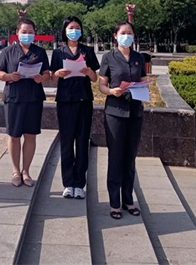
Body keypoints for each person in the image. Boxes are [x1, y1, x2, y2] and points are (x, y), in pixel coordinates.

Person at [98, 21, 147, 220]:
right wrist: (112, 91)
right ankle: (114, 203)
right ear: (115, 36)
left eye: (130, 33)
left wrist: (144, 85)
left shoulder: (138, 58)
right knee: (116, 156)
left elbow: (142, 80)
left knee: (130, 157)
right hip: (115, 112)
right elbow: (102, 85)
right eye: (123, 33)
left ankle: (128, 199)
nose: (127, 36)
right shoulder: (108, 57)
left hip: (135, 112)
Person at [0, 17, 51, 187]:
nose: (28, 35)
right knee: (14, 135)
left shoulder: (39, 52)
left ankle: (26, 171)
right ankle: (15, 171)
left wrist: (41, 78)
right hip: (14, 98)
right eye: (24, 32)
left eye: (31, 32)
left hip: (33, 98)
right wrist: (8, 76)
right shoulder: (8, 51)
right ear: (17, 33)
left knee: (30, 135)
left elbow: (47, 73)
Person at [50, 16, 99, 200]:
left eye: (77, 27)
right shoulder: (58, 52)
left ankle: (79, 184)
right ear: (65, 30)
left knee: (82, 141)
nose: (74, 31)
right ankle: (68, 183)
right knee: (66, 142)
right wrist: (58, 73)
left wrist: (89, 72)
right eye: (71, 28)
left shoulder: (87, 51)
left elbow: (94, 79)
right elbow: (52, 79)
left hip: (84, 100)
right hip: (65, 101)